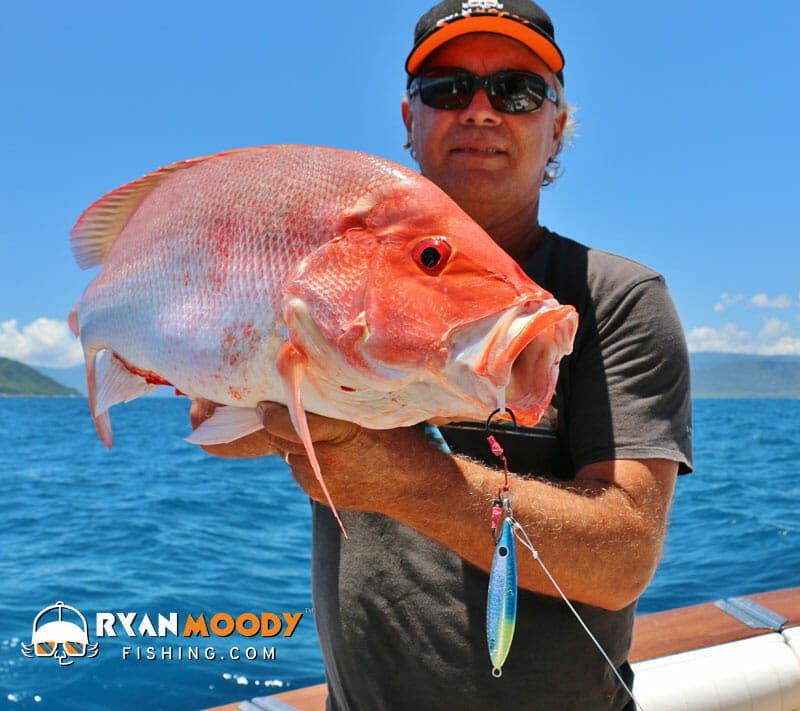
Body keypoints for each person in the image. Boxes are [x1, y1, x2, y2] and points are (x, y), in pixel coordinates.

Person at [192, 1, 692, 708]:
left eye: (518, 90)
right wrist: (234, 370)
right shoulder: (331, 271)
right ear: (410, 121)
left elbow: (624, 557)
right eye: (447, 89)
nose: (481, 111)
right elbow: (223, 426)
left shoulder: (615, 297)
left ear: (558, 127)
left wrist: (405, 478)